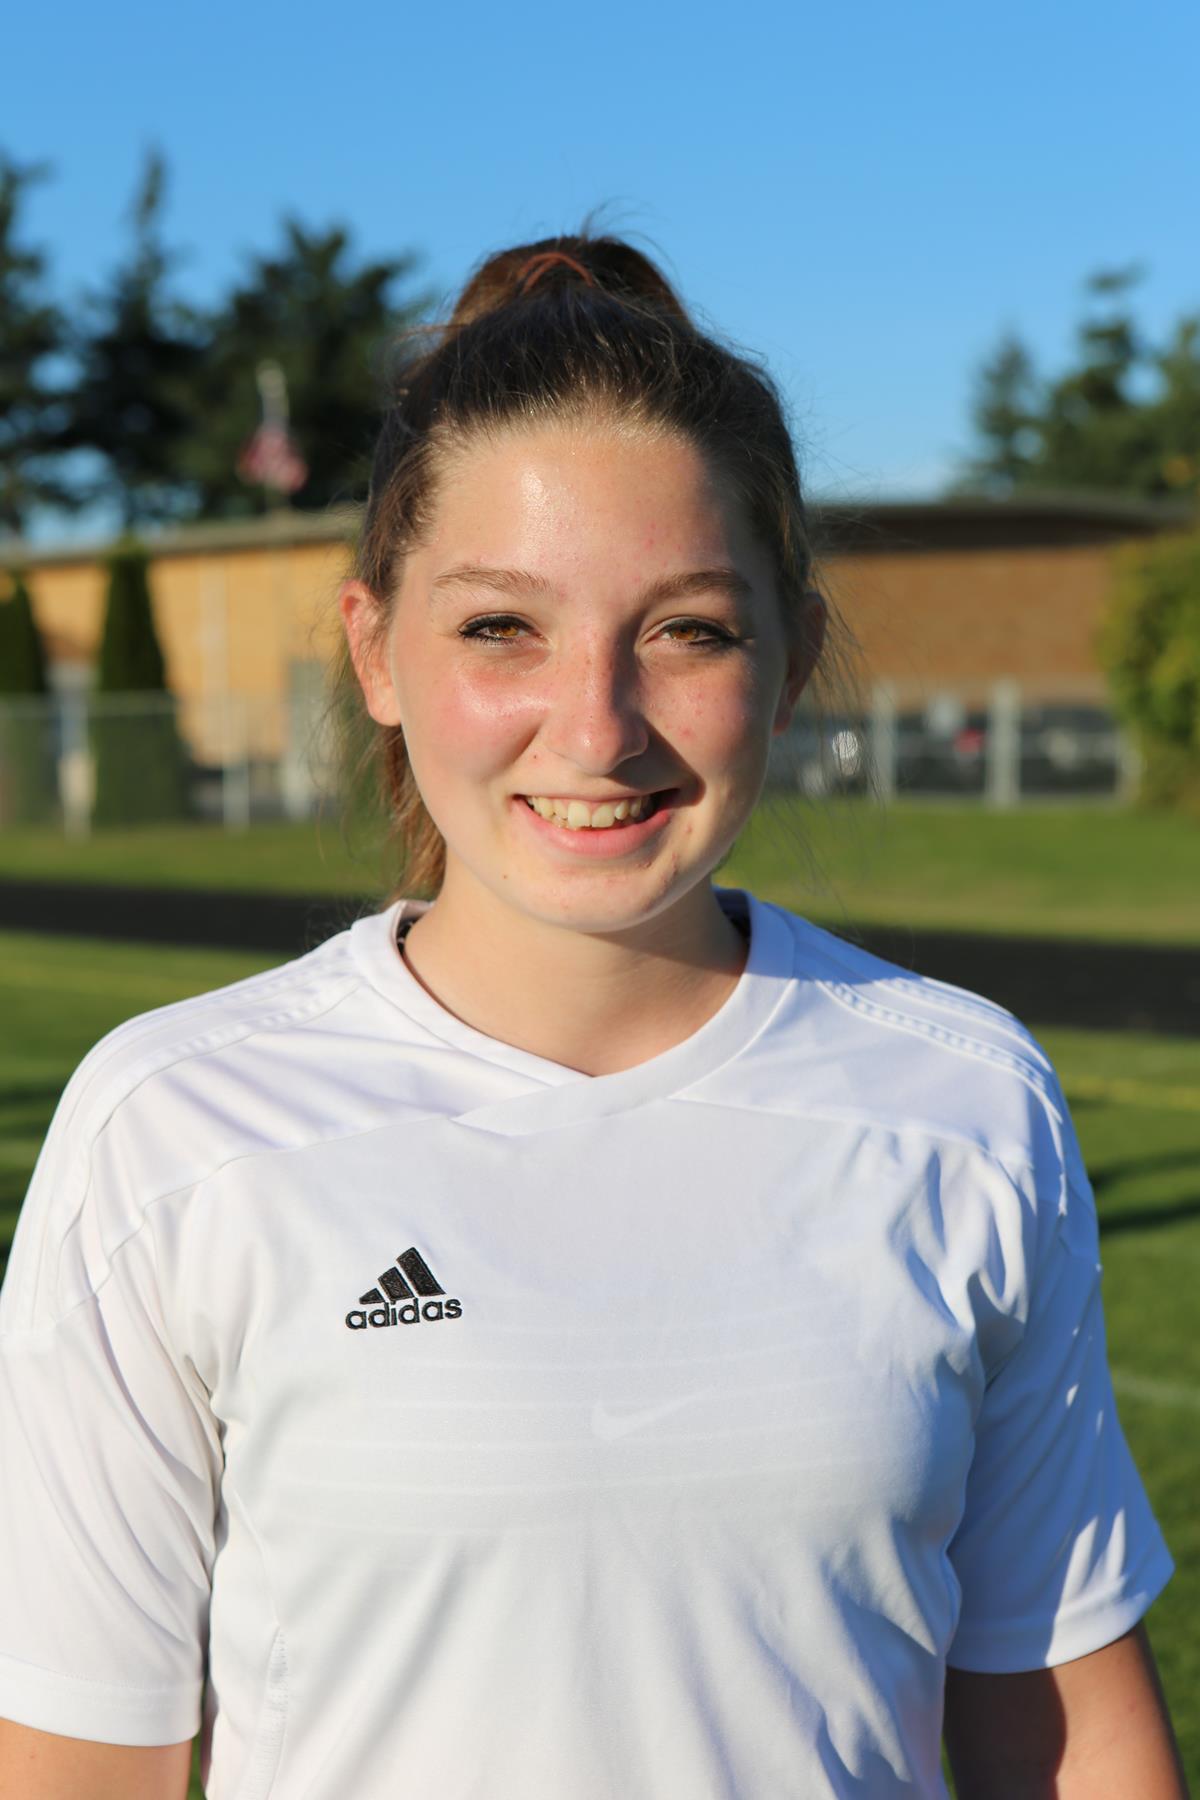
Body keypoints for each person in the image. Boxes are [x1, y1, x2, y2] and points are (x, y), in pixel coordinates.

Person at [0, 233, 1187, 1800]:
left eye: (689, 628)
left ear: (790, 661)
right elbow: (78, 1764)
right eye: (503, 627)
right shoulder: (176, 1128)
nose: (599, 726)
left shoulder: (963, 1102)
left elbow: (1068, 1730)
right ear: (375, 651)